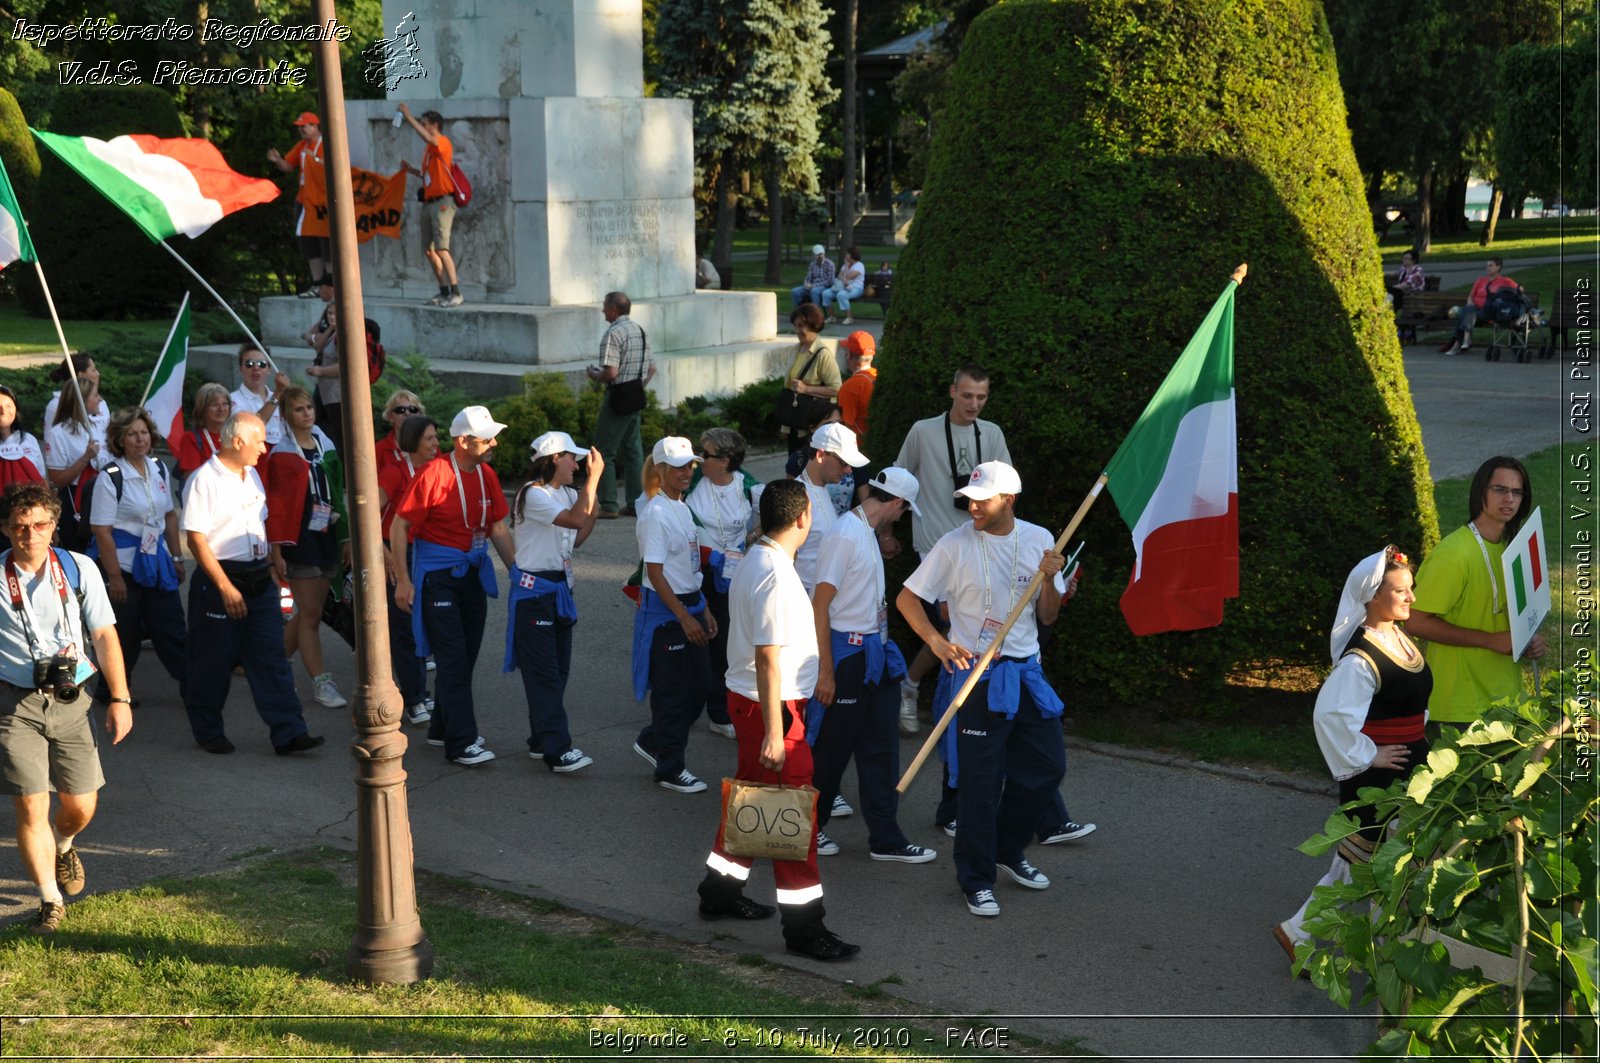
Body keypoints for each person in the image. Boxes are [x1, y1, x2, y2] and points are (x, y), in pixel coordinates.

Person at [694, 478, 859, 962]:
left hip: (758, 704)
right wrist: (775, 732)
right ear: (803, 517)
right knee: (795, 819)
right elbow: (768, 657)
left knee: (754, 800)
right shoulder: (774, 573)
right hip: (775, 709)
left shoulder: (758, 559)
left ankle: (718, 894)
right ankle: (805, 930)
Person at [896, 461, 1067, 918]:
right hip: (977, 677)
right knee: (979, 785)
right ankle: (975, 878)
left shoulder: (1039, 539)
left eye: (983, 499)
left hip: (1026, 674)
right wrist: (936, 641)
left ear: (1009, 499)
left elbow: (1048, 616)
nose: (972, 506)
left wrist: (1050, 579)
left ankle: (1007, 850)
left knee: (1048, 768)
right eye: (969, 498)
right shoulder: (953, 544)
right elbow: (908, 598)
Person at [1276, 546, 1430, 967]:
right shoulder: (1361, 658)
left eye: (1410, 588)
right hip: (1377, 779)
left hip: (1408, 768)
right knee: (1365, 866)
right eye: (1401, 591)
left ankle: (1313, 935)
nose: (1410, 598)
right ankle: (1309, 935)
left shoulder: (1397, 637)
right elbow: (1331, 715)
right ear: (1371, 597)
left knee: (1380, 864)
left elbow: (1407, 703)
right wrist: (1370, 754)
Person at [0, 481, 132, 933]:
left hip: (73, 699)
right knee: (30, 805)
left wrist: (120, 698)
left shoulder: (79, 569)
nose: (29, 535)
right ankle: (49, 900)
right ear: (6, 529)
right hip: (14, 704)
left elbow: (104, 636)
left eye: (39, 525)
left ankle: (64, 844)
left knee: (81, 805)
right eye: (20, 527)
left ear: (54, 526)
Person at [809, 466, 937, 865]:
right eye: (904, 510)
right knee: (832, 750)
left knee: (881, 749)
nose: (902, 516)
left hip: (875, 654)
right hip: (847, 659)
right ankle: (808, 830)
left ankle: (886, 838)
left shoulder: (864, 531)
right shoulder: (846, 535)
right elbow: (820, 604)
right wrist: (825, 671)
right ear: (897, 503)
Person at [181, 412, 323, 756]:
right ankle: (208, 730)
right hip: (220, 578)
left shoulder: (251, 477)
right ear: (238, 441)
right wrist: (225, 588)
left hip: (259, 575)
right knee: (212, 660)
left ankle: (289, 731)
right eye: (259, 440)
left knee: (270, 657)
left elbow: (262, 522)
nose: (264, 447)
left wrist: (274, 559)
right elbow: (197, 540)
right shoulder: (204, 480)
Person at [390, 406, 516, 766]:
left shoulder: (486, 473)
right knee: (454, 659)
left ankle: (442, 726)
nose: (494, 443)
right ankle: (461, 742)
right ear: (463, 441)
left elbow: (498, 528)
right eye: (487, 437)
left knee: (465, 657)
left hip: (472, 573)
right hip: (438, 577)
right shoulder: (433, 474)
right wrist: (403, 580)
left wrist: (520, 575)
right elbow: (399, 526)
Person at [892, 364, 1012, 735]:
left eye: (981, 397)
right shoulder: (923, 431)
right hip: (934, 547)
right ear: (951, 392)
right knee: (950, 624)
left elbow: (1006, 492)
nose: (974, 403)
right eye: (967, 395)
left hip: (979, 545)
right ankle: (917, 692)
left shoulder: (991, 433)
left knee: (965, 629)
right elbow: (899, 482)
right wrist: (884, 531)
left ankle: (932, 695)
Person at [1406, 456, 1545, 729]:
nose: (1509, 499)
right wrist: (1489, 640)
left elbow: (1513, 618)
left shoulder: (1514, 549)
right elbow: (1414, 621)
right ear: (1480, 491)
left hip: (1508, 703)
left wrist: (1529, 639)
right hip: (1458, 708)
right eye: (1500, 489)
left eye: (1517, 492)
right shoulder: (1454, 554)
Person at [506, 431, 602, 773]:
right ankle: (558, 750)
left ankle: (541, 738)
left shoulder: (565, 492)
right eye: (571, 458)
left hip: (560, 589)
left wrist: (591, 507)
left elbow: (576, 538)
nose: (576, 465)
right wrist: (593, 483)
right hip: (535, 595)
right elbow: (575, 519)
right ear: (553, 459)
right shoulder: (533, 494)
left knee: (557, 671)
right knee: (545, 674)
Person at [630, 436, 714, 793]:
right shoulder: (656, 513)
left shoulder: (680, 506)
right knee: (672, 693)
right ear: (661, 469)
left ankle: (654, 740)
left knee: (702, 686)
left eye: (690, 465)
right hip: (667, 615)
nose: (686, 471)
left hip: (690, 604)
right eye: (679, 466)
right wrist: (684, 616)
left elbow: (689, 566)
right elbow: (655, 573)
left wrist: (704, 607)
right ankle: (670, 767)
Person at [88, 407, 186, 707]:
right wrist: (115, 578)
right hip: (125, 567)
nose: (140, 439)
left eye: (143, 432)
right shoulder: (111, 477)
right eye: (132, 434)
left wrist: (178, 558)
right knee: (125, 635)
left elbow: (168, 515)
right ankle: (112, 691)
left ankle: (194, 687)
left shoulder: (158, 467)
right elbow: (101, 531)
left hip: (156, 562)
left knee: (171, 628)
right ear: (120, 439)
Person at [264, 388, 348, 710]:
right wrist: (276, 553)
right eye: (298, 410)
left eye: (309, 407)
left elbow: (337, 492)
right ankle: (321, 683)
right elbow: (275, 507)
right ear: (286, 416)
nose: (307, 414)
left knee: (310, 611)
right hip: (297, 541)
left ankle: (274, 664)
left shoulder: (325, 444)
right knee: (311, 615)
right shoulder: (282, 454)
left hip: (326, 534)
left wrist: (345, 538)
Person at [685, 427, 757, 740]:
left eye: (706, 454)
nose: (699, 460)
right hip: (696, 571)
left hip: (734, 576)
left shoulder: (748, 485)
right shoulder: (693, 481)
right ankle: (684, 703)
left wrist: (749, 540)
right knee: (699, 637)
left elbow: (775, 513)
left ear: (726, 461)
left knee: (727, 642)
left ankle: (719, 709)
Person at [376, 414, 438, 727]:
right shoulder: (395, 471)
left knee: (428, 622)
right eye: (429, 439)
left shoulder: (438, 468)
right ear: (414, 442)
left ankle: (422, 693)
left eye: (436, 438)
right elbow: (369, 514)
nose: (436, 444)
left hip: (430, 552)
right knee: (405, 626)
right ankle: (414, 698)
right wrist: (386, 555)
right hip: (400, 551)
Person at [757, 422, 869, 596]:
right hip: (803, 598)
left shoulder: (822, 489)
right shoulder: (796, 498)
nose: (848, 470)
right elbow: (782, 557)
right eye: (844, 463)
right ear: (820, 455)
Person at [586, 291, 655, 519]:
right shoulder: (639, 330)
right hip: (635, 395)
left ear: (615, 309)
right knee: (633, 451)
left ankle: (608, 504)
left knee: (604, 450)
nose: (603, 311)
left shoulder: (613, 333)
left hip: (617, 397)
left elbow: (611, 372)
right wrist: (637, 386)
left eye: (605, 307)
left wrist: (595, 375)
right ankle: (636, 502)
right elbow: (652, 368)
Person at [398, 103, 462, 307]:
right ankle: (443, 291)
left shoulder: (442, 142)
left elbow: (428, 138)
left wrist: (408, 117)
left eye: (425, 123)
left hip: (443, 202)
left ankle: (456, 292)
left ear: (434, 125)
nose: (423, 126)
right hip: (429, 201)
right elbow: (429, 175)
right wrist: (412, 171)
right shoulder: (429, 149)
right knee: (429, 249)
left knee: (442, 248)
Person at [266, 110, 330, 297]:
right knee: (308, 242)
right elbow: (287, 166)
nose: (301, 130)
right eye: (299, 127)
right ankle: (317, 284)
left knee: (325, 241)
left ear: (315, 126)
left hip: (322, 203)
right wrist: (277, 160)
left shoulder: (326, 144)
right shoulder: (302, 145)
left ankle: (331, 284)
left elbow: (333, 167)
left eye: (304, 126)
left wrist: (315, 159)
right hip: (303, 201)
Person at [42, 367, 106, 554]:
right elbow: (58, 479)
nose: (100, 399)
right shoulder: (58, 433)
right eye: (95, 395)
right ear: (82, 400)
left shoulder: (99, 427)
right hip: (76, 500)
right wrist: (85, 458)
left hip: (101, 492)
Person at [781, 303, 841, 456]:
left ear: (813, 325)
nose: (797, 331)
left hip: (811, 424)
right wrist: (785, 426)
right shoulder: (796, 349)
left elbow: (836, 389)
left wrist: (806, 389)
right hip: (795, 420)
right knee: (794, 466)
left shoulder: (823, 354)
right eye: (795, 326)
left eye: (801, 326)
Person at [1440, 258, 1519, 355]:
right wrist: (1470, 302)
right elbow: (1471, 296)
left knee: (1465, 315)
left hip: (1488, 311)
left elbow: (1519, 289)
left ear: (1498, 267)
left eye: (1491, 265)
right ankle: (1465, 339)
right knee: (1469, 309)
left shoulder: (1505, 281)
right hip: (1475, 309)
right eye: (1487, 266)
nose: (1488, 268)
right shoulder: (1481, 281)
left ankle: (1459, 343)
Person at [302, 301, 345, 453]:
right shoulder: (332, 331)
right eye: (329, 313)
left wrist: (320, 371)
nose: (332, 317)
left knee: (340, 436)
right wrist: (329, 329)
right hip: (324, 390)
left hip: (337, 394)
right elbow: (315, 343)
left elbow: (346, 367)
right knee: (318, 425)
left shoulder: (344, 335)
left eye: (335, 313)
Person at [229, 344, 292, 447]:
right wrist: (277, 394)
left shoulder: (282, 398)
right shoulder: (232, 400)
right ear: (241, 368)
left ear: (269, 369)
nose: (256, 368)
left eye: (262, 364)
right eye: (249, 364)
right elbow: (251, 428)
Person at [42, 356, 109, 452]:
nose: (98, 374)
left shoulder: (101, 402)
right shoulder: (56, 405)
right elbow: (52, 444)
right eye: (93, 370)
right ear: (81, 375)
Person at [175, 383, 232, 479]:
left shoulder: (234, 437)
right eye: (215, 405)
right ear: (202, 408)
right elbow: (192, 480)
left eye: (225, 404)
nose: (221, 409)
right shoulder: (191, 439)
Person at [0, 384, 45, 499]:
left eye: (9, 406)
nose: (3, 411)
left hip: (30, 507)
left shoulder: (28, 439)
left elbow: (42, 477)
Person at [835, 331, 877, 440]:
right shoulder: (878, 376)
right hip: (877, 444)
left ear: (848, 354)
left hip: (857, 448)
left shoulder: (851, 386)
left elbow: (844, 426)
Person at [376, 390, 426, 479]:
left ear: (419, 415)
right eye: (400, 410)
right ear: (390, 417)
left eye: (412, 409)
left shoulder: (430, 446)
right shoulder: (379, 450)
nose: (407, 413)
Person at [822, 246, 866, 325]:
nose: (845, 255)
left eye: (847, 254)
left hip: (856, 288)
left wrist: (845, 268)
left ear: (852, 255)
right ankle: (832, 317)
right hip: (842, 287)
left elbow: (849, 276)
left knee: (841, 295)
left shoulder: (859, 265)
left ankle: (849, 318)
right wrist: (844, 276)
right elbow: (839, 275)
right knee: (826, 294)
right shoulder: (845, 265)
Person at [790, 244, 837, 308]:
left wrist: (814, 285)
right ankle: (800, 310)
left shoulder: (830, 264)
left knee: (814, 291)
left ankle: (815, 311)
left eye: (821, 254)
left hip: (824, 286)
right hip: (811, 285)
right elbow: (808, 277)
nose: (820, 256)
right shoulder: (812, 264)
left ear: (824, 253)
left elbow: (830, 281)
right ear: (814, 255)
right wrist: (806, 284)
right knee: (795, 291)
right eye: (817, 255)